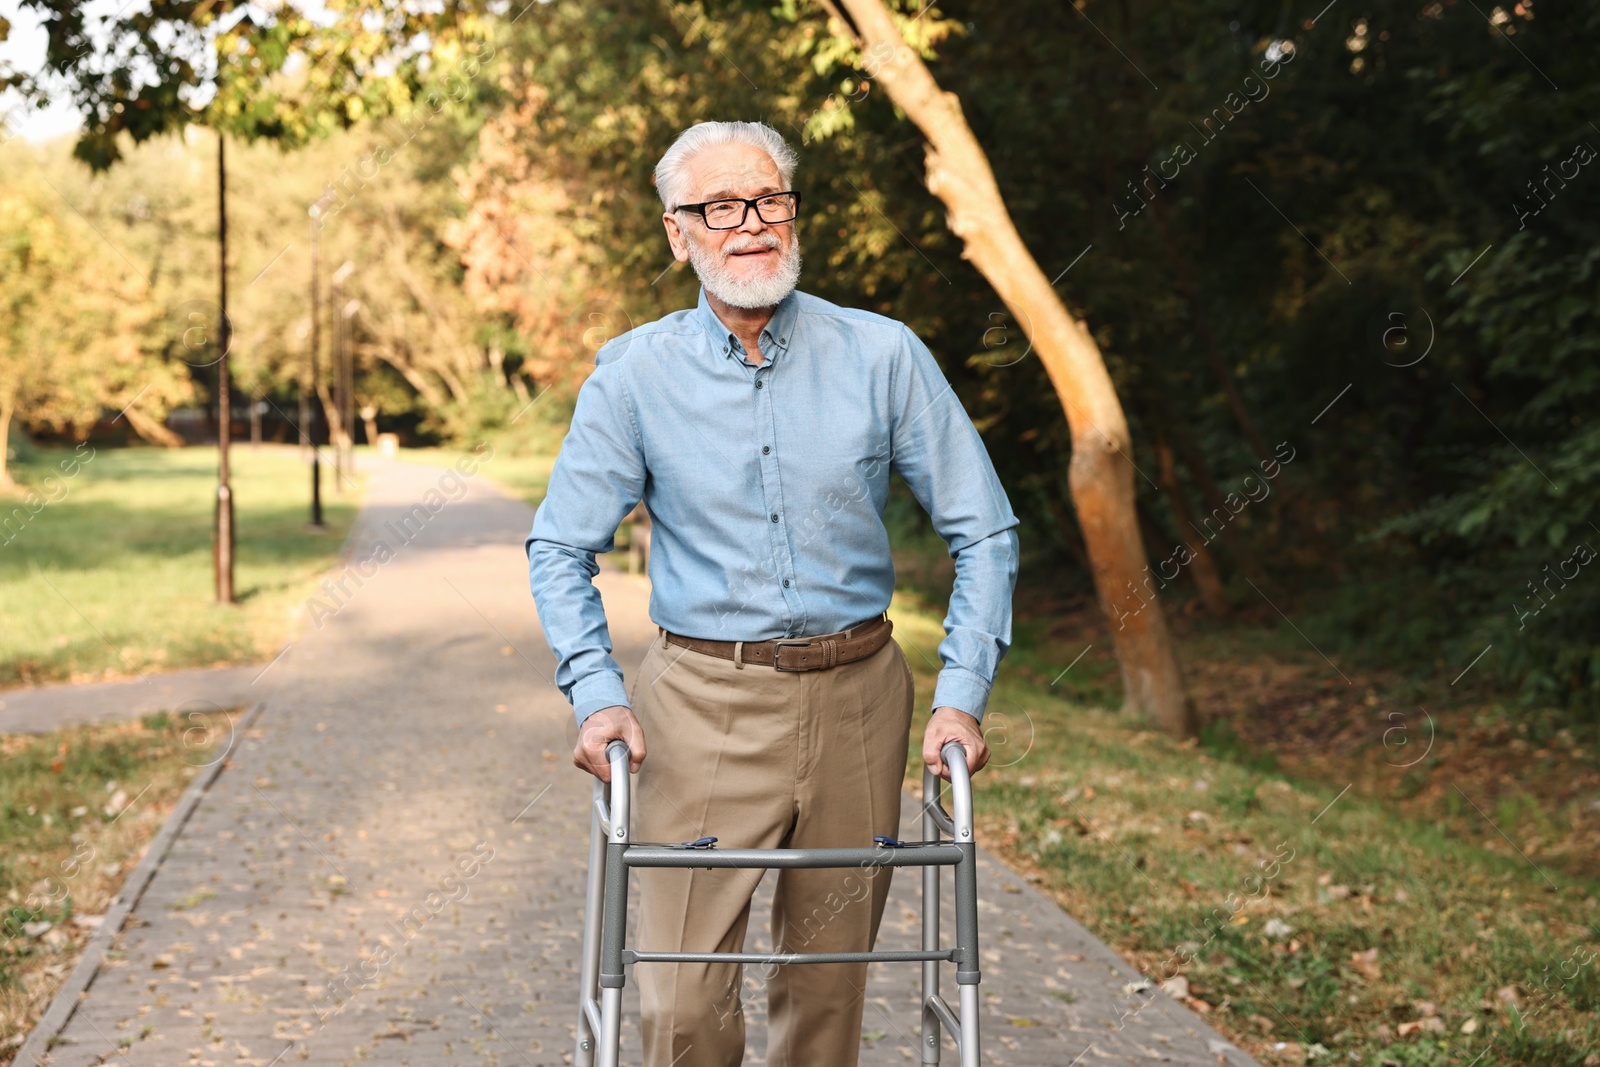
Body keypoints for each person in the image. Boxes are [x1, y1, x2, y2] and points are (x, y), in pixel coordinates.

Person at [525, 119, 1019, 1067]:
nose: (750, 223)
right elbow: (560, 547)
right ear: (679, 233)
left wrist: (962, 691)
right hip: (701, 702)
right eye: (720, 206)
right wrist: (596, 694)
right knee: (675, 997)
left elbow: (984, 527)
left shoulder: (883, 355)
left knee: (828, 989)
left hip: (861, 698)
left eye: (769, 200)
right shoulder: (634, 375)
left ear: (793, 212)